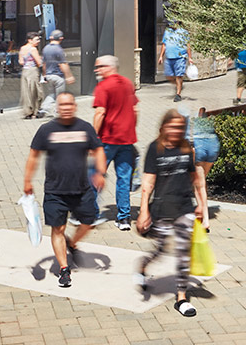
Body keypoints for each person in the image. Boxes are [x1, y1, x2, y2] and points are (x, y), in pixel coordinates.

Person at [23, 92, 107, 288]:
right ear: (57, 108)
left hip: (82, 189)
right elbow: (34, 156)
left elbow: (99, 149)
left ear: (75, 106)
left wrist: (100, 172)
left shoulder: (85, 128)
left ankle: (72, 243)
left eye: (70, 104)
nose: (67, 108)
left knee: (89, 222)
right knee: (57, 229)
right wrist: (27, 181)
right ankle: (64, 269)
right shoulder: (46, 130)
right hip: (55, 191)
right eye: (63, 105)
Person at [135, 109, 210, 318]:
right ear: (164, 127)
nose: (177, 131)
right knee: (160, 250)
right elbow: (148, 184)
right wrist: (143, 212)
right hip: (161, 209)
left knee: (183, 253)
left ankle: (181, 298)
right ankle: (142, 267)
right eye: (173, 126)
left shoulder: (187, 148)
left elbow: (196, 179)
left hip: (184, 208)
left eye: (181, 127)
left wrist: (201, 206)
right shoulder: (154, 148)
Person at [91, 54, 138, 231]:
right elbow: (135, 110)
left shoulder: (103, 86)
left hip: (107, 140)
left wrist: (93, 138)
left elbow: (100, 113)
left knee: (96, 175)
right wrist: (131, 128)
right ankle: (124, 218)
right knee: (124, 179)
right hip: (126, 140)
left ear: (109, 67)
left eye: (100, 66)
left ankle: (92, 214)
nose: (97, 70)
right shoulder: (127, 83)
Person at [40, 30, 74, 118]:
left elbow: (44, 63)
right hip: (58, 76)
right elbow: (62, 64)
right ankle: (58, 112)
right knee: (60, 95)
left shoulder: (46, 48)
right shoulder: (59, 50)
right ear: (61, 38)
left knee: (52, 94)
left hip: (49, 75)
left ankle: (44, 108)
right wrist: (68, 76)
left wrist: (44, 75)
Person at [188, 106, 220, 182]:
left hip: (199, 150)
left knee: (199, 179)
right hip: (212, 150)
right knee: (202, 178)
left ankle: (195, 191)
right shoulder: (211, 126)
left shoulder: (194, 124)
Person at [19, 31, 45, 119]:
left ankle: (27, 111)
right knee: (36, 92)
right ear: (30, 40)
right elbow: (39, 62)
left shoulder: (22, 48)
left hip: (25, 71)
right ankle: (35, 111)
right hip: (33, 71)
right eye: (36, 39)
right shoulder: (33, 49)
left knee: (26, 92)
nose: (38, 41)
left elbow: (21, 62)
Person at [162, 22, 190, 102]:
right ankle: (179, 84)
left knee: (178, 76)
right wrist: (161, 56)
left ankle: (178, 94)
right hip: (169, 57)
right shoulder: (167, 31)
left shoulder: (184, 32)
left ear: (177, 23)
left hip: (180, 57)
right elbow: (164, 44)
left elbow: (188, 45)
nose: (171, 25)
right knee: (169, 76)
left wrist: (190, 57)